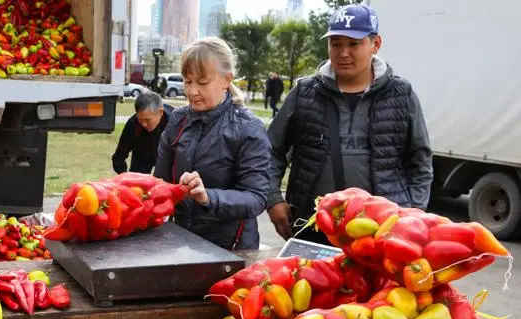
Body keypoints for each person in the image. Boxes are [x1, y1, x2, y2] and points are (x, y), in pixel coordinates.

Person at [266, 3, 433, 244]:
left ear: (375, 44)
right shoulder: (304, 92)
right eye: (336, 44)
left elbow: (420, 160)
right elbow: (271, 151)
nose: (343, 53)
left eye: (354, 44)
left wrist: (412, 213)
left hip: (382, 232)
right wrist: (273, 198)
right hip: (313, 227)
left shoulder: (401, 94)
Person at [154, 37, 271, 250]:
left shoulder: (248, 128)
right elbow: (158, 183)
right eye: (187, 81)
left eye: (202, 82)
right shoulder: (178, 120)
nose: (192, 91)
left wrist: (209, 197)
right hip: (181, 243)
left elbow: (256, 198)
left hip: (231, 249)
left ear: (227, 79)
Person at [112, 92, 173, 174]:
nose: (144, 124)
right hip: (142, 156)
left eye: (148, 120)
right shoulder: (133, 123)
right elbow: (118, 157)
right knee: (137, 184)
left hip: (169, 158)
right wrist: (125, 176)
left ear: (160, 112)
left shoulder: (175, 121)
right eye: (140, 119)